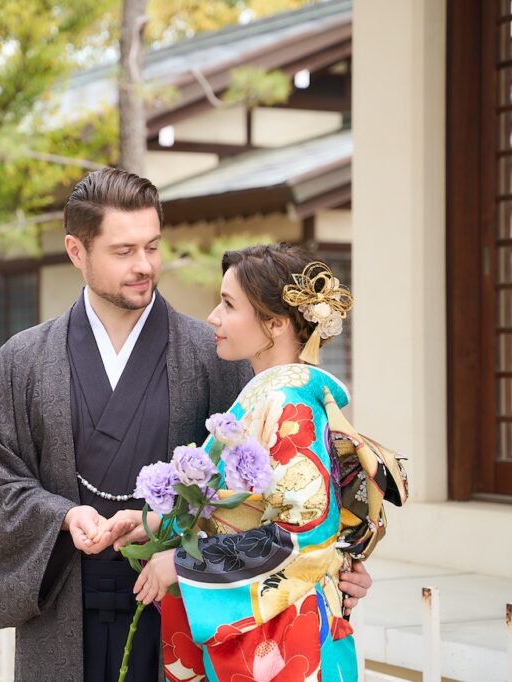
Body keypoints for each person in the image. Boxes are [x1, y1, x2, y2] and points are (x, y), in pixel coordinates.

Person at [0, 170, 371, 682]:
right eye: (123, 251)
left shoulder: (218, 354)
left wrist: (337, 564)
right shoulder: (24, 361)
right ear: (76, 250)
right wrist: (63, 517)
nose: (144, 266)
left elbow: (293, 490)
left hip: (184, 614)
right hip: (63, 610)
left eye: (153, 246)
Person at [107, 244, 373, 681]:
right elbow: (242, 510)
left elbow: (301, 537)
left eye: (228, 304)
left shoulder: (290, 407)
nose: (213, 316)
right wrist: (158, 524)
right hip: (277, 633)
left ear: (276, 323)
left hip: (287, 643)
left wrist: (182, 564)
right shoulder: (270, 397)